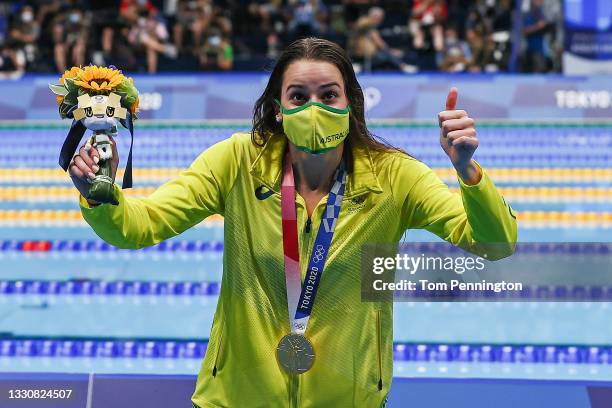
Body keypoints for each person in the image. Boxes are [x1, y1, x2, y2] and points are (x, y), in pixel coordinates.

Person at [69, 38, 517, 407]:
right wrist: (101, 199)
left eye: (329, 96)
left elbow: (495, 244)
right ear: (279, 109)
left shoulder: (393, 177)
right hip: (237, 398)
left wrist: (467, 172)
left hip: (348, 399)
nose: (314, 108)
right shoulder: (237, 162)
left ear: (350, 105)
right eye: (298, 97)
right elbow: (139, 226)